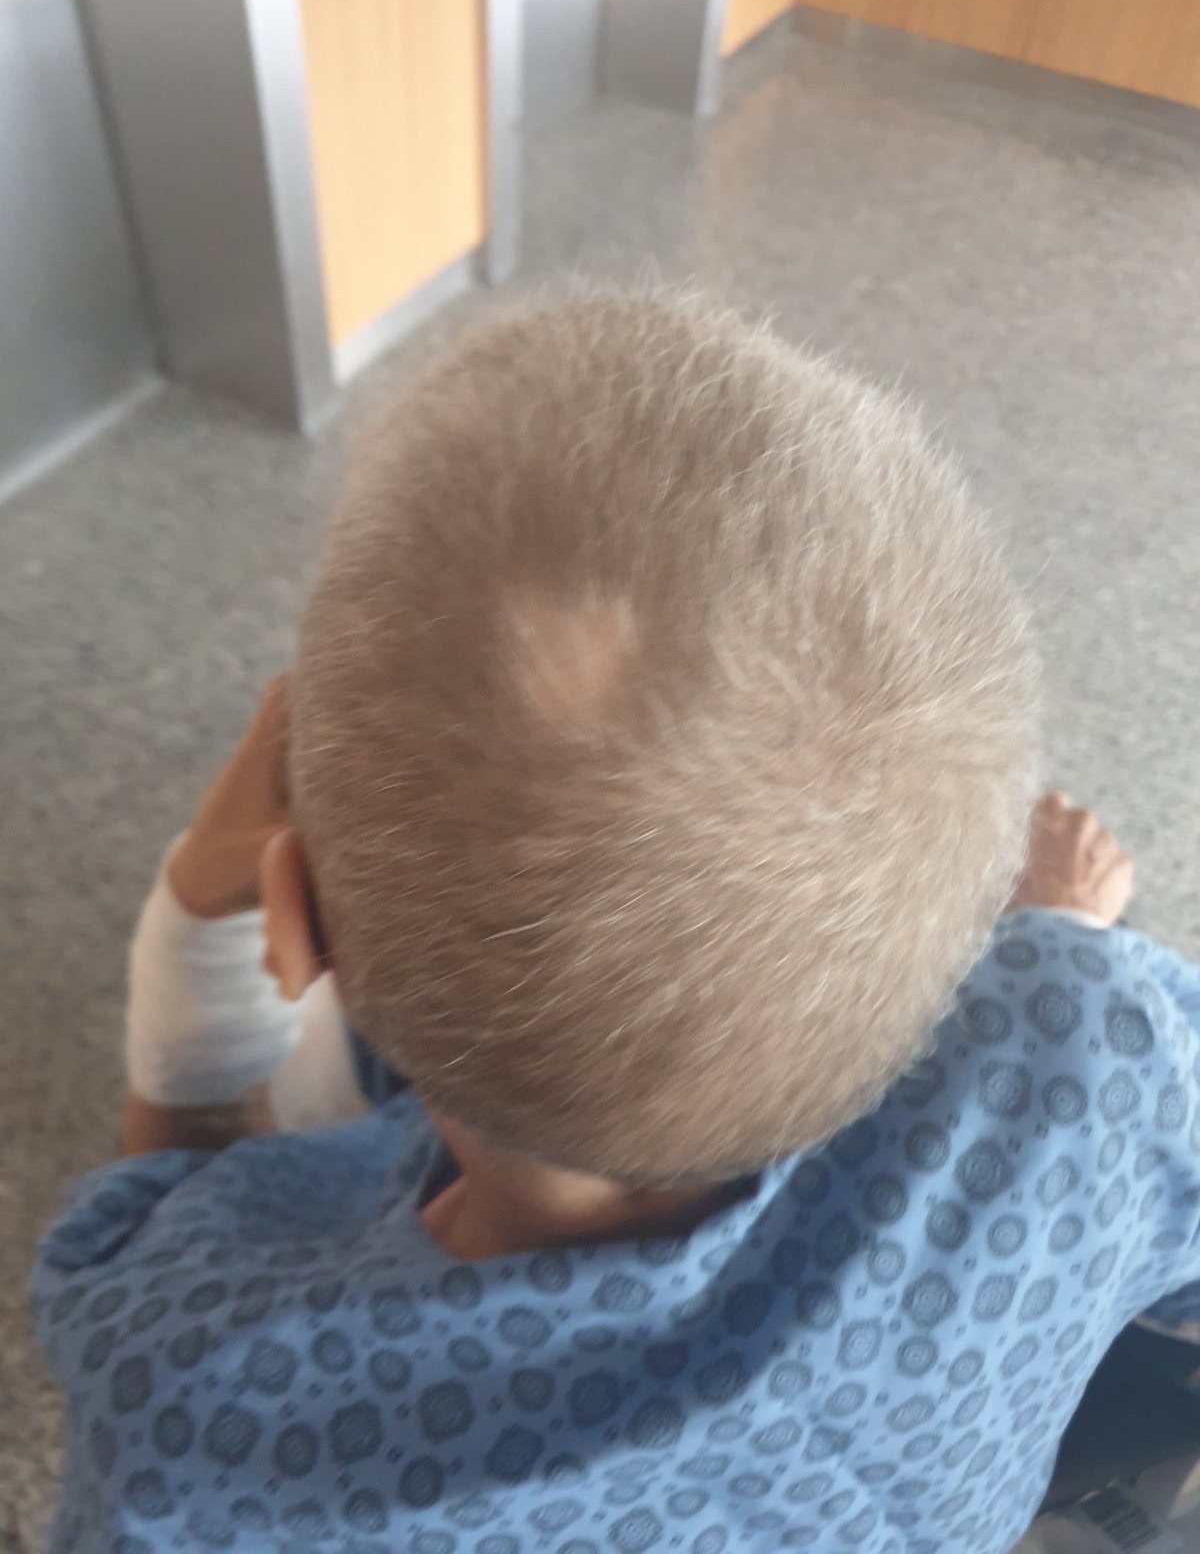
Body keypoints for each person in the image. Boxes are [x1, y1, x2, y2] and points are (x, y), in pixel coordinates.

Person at [33, 292, 1200, 1554]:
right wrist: (1063, 944)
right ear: (969, 924)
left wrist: (196, 913)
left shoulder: (196, 1422)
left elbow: (176, 1196)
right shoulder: (1093, 1047)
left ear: (295, 924)